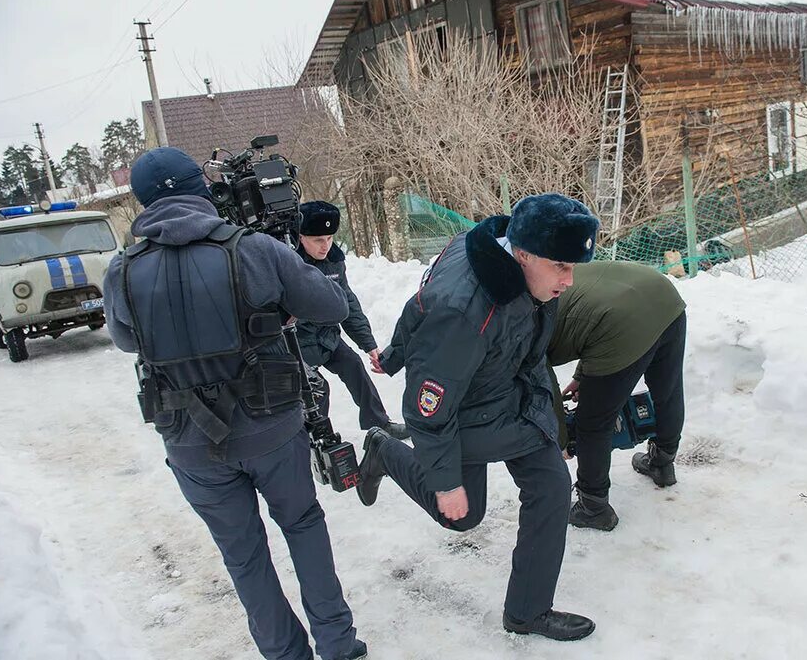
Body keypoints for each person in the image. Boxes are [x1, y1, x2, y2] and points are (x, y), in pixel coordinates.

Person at [103, 147, 367, 660]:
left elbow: (127, 340)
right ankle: (337, 644)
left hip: (190, 443)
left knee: (243, 557)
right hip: (272, 428)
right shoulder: (251, 248)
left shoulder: (122, 270)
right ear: (200, 189)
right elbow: (331, 305)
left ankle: (285, 654)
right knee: (303, 524)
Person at [361, 193, 599, 641]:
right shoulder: (464, 309)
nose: (569, 280)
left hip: (505, 391)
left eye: (573, 267)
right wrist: (447, 484)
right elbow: (426, 410)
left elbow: (419, 303)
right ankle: (384, 450)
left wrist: (395, 351)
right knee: (460, 516)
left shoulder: (507, 257)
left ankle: (527, 612)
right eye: (561, 267)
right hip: (460, 414)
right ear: (523, 253)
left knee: (550, 484)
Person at [548, 261, 687, 531]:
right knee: (667, 390)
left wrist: (561, 438)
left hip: (620, 322)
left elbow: (546, 388)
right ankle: (662, 463)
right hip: (662, 295)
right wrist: (582, 376)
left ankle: (593, 507)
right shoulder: (550, 274)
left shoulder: (516, 325)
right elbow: (590, 313)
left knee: (593, 422)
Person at [294, 200, 407, 439]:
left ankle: (379, 423)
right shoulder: (288, 262)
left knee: (354, 365)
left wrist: (370, 345)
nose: (325, 246)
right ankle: (316, 439)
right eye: (318, 240)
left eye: (329, 238)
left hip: (327, 337)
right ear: (301, 237)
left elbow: (348, 305)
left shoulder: (334, 260)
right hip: (296, 343)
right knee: (317, 389)